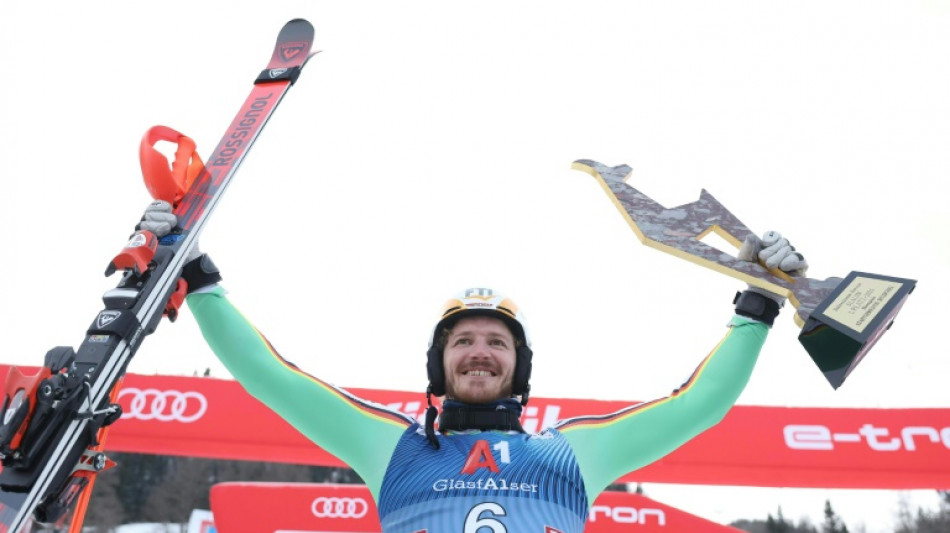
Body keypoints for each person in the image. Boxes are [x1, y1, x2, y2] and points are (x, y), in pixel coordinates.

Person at [139, 200, 808, 532]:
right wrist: (195, 273)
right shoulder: (390, 446)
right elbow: (270, 374)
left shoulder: (571, 452)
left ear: (520, 366)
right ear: (439, 362)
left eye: (496, 341)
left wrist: (757, 304)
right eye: (462, 341)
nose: (480, 350)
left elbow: (699, 404)